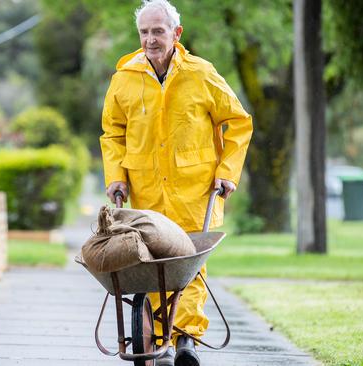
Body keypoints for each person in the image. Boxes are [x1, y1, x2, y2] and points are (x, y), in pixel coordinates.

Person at [99, 1, 252, 365]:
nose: (150, 39)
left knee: (189, 264)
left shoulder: (201, 74)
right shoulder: (124, 78)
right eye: (145, 32)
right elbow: (112, 133)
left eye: (158, 31)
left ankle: (186, 340)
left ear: (176, 33)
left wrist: (227, 173)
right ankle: (159, 337)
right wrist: (116, 177)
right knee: (149, 263)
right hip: (146, 191)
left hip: (196, 190)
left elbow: (239, 122)